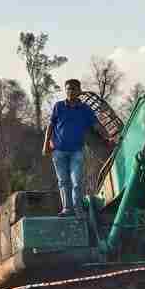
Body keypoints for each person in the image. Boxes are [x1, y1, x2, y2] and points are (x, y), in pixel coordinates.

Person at [42, 79, 114, 217]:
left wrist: (108, 137)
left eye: (73, 89)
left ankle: (78, 209)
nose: (70, 92)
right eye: (68, 89)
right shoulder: (59, 106)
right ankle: (67, 209)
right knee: (63, 181)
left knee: (76, 181)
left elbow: (96, 126)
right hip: (59, 151)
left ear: (79, 91)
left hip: (76, 151)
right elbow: (50, 126)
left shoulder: (85, 110)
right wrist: (46, 145)